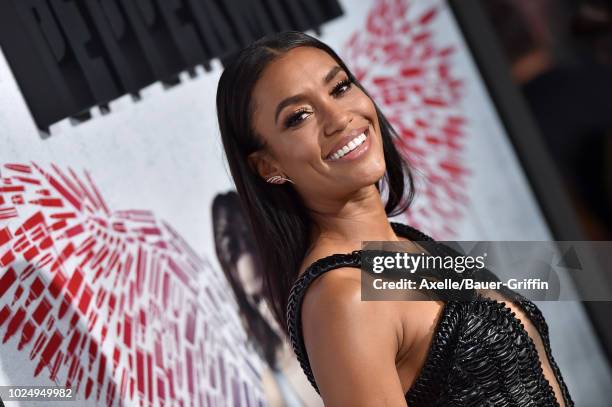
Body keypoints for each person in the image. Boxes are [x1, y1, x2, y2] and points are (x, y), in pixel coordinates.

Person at [215, 30, 573, 406]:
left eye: (339, 88)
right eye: (299, 116)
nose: (339, 118)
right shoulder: (343, 298)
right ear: (268, 165)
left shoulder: (409, 246)